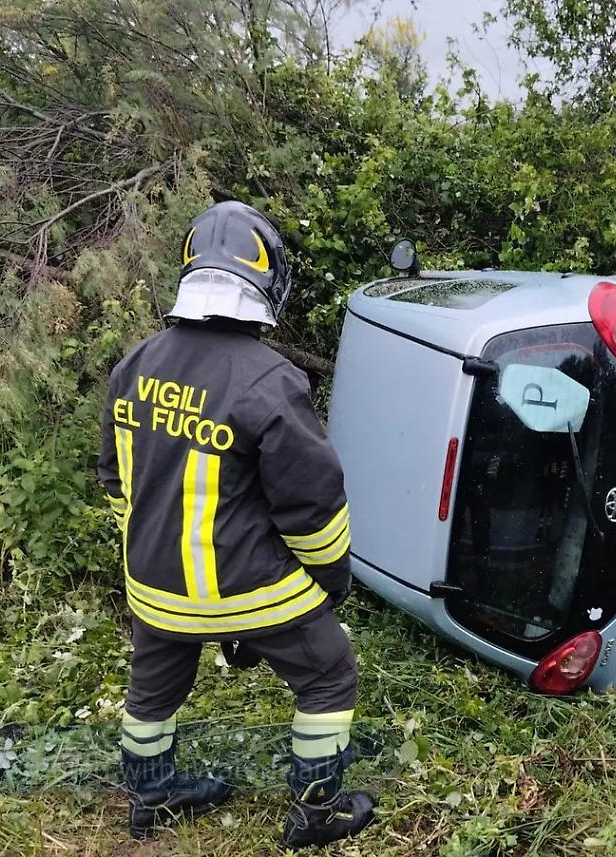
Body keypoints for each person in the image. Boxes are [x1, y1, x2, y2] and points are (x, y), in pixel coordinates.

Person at [98, 201, 374, 849]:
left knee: (152, 692)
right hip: (255, 591)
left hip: (155, 588)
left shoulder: (134, 365)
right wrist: (331, 583)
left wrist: (146, 556)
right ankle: (315, 812)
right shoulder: (272, 381)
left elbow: (118, 483)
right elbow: (314, 509)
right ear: (267, 282)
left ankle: (151, 795)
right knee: (329, 673)